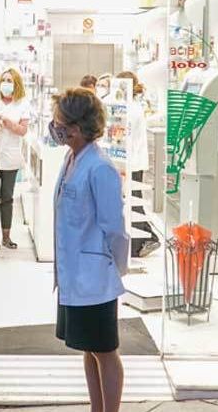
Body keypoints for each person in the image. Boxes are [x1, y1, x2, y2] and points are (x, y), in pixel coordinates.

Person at [50, 88, 130, 412]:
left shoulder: (100, 168)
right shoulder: (71, 159)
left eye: (59, 123)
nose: (54, 128)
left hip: (94, 278)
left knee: (105, 351)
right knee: (88, 348)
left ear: (77, 128)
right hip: (75, 276)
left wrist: (114, 269)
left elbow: (115, 228)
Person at [116, 71, 162, 257]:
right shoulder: (130, 106)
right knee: (132, 200)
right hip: (131, 161)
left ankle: (143, 241)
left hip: (132, 162)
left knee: (133, 201)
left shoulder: (132, 109)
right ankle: (147, 237)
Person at [0, 68, 30, 250]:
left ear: (16, 84)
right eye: (4, 80)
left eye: (10, 80)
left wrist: (8, 123)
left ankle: (6, 236)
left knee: (7, 197)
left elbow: (23, 130)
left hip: (11, 156)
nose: (6, 83)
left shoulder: (22, 104)